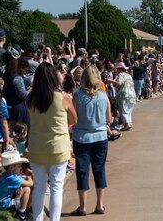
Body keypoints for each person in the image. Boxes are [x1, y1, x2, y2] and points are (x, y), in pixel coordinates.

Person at [27, 62, 77, 221]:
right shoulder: (63, 97)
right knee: (56, 187)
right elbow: (74, 119)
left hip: (36, 147)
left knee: (39, 187)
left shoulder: (31, 99)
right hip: (58, 147)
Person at [69, 65, 112, 216]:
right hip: (100, 136)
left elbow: (73, 118)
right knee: (99, 169)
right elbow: (109, 118)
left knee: (82, 171)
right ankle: (100, 204)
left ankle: (83, 206)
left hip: (82, 137)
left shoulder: (78, 96)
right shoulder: (103, 96)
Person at [0, 150, 34, 221]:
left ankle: (26, 209)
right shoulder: (11, 178)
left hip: (1, 204)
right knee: (27, 189)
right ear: (11, 167)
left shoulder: (6, 175)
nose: (21, 168)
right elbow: (30, 184)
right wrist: (29, 175)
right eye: (19, 166)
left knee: (23, 188)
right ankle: (21, 213)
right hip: (4, 206)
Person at [3, 58, 31, 124]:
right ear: (20, 67)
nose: (25, 72)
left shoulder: (6, 76)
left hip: (8, 107)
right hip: (17, 109)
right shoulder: (17, 78)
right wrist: (30, 91)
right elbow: (22, 95)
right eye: (25, 69)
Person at [111, 62, 135, 131]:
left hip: (124, 95)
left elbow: (120, 84)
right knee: (128, 111)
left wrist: (111, 81)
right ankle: (129, 123)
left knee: (123, 110)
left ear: (120, 69)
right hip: (132, 95)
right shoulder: (129, 75)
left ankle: (126, 124)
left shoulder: (121, 74)